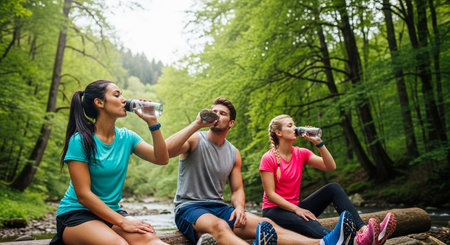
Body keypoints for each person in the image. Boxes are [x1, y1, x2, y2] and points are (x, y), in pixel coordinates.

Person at [166, 97, 360, 245]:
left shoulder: (234, 153)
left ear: (231, 123)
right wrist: (197, 123)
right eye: (213, 111)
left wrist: (240, 208)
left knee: (266, 226)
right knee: (220, 226)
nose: (216, 115)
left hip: (219, 207)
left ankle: (322, 243)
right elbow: (166, 152)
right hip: (189, 208)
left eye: (222, 113)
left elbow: (237, 190)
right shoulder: (195, 140)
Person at [50, 80, 170, 245]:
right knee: (118, 244)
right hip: (77, 214)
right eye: (117, 94)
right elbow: (83, 195)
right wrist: (123, 222)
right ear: (99, 102)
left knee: (149, 238)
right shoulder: (80, 141)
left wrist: (153, 123)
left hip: (111, 213)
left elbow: (162, 159)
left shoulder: (127, 137)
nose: (124, 99)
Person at [259, 114, 397, 245]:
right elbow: (271, 195)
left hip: (296, 207)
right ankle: (358, 241)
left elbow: (330, 166)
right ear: (278, 133)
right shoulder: (268, 158)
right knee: (311, 223)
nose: (295, 128)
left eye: (294, 124)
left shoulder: (300, 153)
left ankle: (364, 231)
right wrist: (297, 210)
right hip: (274, 212)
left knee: (333, 188)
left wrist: (319, 144)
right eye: (289, 126)